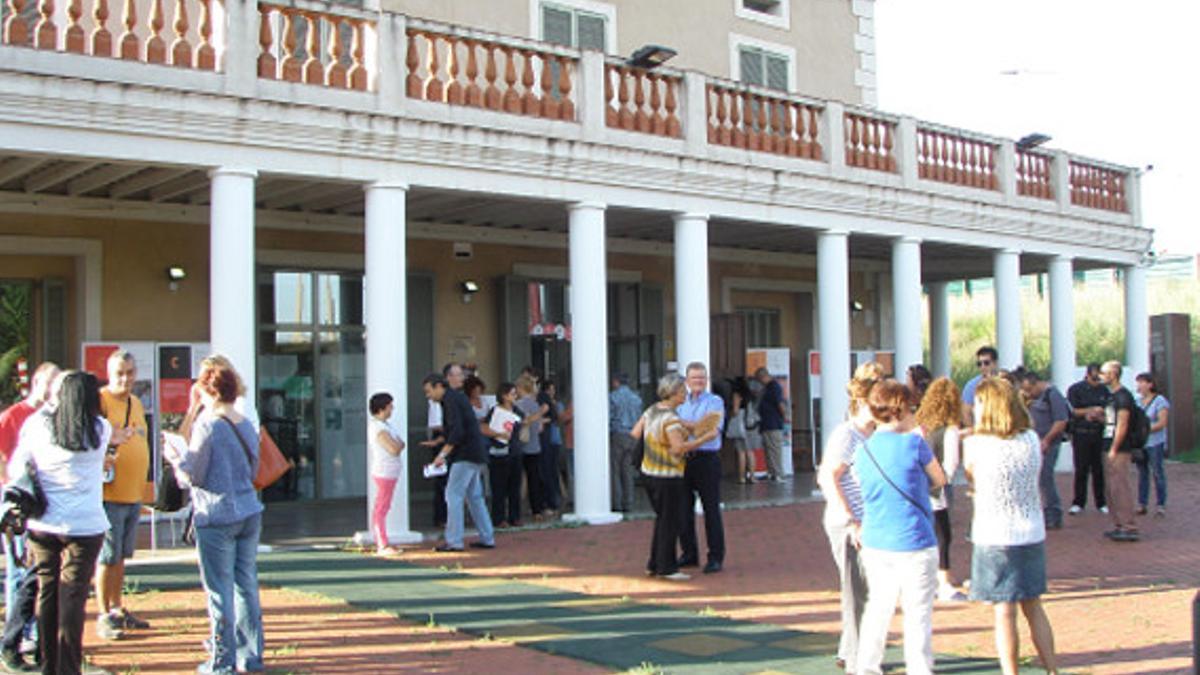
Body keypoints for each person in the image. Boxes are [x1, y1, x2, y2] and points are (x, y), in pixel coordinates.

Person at [164, 360, 265, 674]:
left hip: (217, 513)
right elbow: (252, 468)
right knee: (245, 584)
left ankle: (221, 661)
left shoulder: (208, 425)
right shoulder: (245, 422)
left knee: (218, 590)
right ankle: (251, 656)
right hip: (249, 509)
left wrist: (176, 459)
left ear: (207, 391)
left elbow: (192, 474)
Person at [12, 371, 111, 675]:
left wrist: (49, 399)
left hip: (44, 522)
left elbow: (18, 464)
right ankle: (69, 667)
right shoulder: (100, 430)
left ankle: (47, 664)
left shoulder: (38, 426)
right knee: (74, 597)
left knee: (48, 591)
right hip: (86, 525)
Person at [962, 378, 1058, 675]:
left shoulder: (976, 443)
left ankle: (1010, 672)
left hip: (994, 533)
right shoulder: (1029, 438)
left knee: (1004, 611)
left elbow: (972, 478)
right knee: (1033, 604)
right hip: (1030, 530)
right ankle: (1052, 669)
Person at [855, 379, 945, 675]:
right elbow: (940, 478)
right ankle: (919, 668)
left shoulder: (862, 450)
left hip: (875, 538)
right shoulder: (914, 443)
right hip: (914, 538)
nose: (914, 412)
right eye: (912, 407)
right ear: (899, 409)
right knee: (917, 612)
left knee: (877, 607)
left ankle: (866, 665)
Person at [816, 365, 879, 675]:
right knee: (857, 592)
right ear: (862, 401)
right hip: (848, 523)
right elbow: (829, 477)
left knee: (869, 590)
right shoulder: (846, 434)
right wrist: (851, 518)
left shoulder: (880, 433)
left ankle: (849, 649)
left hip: (873, 521)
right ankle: (859, 661)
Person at [0, 362, 59, 672]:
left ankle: (32, 634)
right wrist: (10, 496)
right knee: (20, 573)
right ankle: (15, 638)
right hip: (19, 500)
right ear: (38, 382)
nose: (53, 390)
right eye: (49, 383)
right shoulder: (16, 417)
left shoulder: (52, 418)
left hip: (43, 504)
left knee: (34, 576)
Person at [630, 373, 717, 581]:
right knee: (670, 522)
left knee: (662, 520)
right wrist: (705, 438)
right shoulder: (670, 419)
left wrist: (692, 427)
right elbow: (678, 448)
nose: (685, 394)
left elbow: (635, 432)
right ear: (675, 392)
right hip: (668, 474)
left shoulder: (652, 411)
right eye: (682, 391)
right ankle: (667, 567)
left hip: (649, 472)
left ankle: (655, 563)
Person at [94, 350, 151, 641]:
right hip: (108, 494)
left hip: (132, 494)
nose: (125, 378)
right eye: (119, 373)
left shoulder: (136, 402)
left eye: (129, 372)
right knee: (107, 556)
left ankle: (117, 607)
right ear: (109, 373)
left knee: (121, 557)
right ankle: (104, 613)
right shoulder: (100, 401)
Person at [424, 374, 495, 552]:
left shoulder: (450, 400)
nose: (428, 395)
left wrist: (442, 454)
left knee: (453, 494)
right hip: (474, 452)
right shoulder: (456, 399)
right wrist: (442, 442)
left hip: (465, 454)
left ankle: (454, 540)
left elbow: (456, 431)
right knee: (474, 496)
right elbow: (457, 428)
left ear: (439, 386)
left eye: (429, 390)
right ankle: (487, 537)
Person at [914, 377, 966, 601]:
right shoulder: (949, 430)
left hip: (916, 488)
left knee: (921, 536)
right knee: (943, 535)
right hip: (937, 490)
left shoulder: (920, 427)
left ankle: (924, 581)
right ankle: (944, 581)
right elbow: (951, 464)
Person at [675, 362, 726, 574]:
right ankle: (689, 553)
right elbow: (675, 429)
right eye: (695, 378)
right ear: (686, 381)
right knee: (683, 509)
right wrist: (696, 429)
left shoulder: (715, 401)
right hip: (684, 460)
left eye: (702, 378)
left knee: (711, 509)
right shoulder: (679, 404)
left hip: (707, 459)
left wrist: (690, 429)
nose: (699, 382)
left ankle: (715, 556)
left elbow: (712, 430)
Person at [1018, 370, 1070, 530]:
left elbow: (1061, 421)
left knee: (1046, 478)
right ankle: (1043, 512)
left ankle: (1053, 513)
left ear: (1037, 384)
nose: (1029, 394)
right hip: (1035, 442)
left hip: (1049, 443)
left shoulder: (1053, 395)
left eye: (1030, 389)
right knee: (1038, 478)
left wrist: (1047, 440)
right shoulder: (1033, 398)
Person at [1099, 361, 1138, 542]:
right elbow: (1111, 421)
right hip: (1107, 444)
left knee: (1120, 485)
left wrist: (1115, 448)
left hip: (1119, 448)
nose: (1100, 376)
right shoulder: (1110, 396)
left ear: (1113, 374)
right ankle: (1119, 524)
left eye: (1103, 373)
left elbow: (1123, 423)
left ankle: (1128, 526)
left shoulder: (1123, 396)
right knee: (1111, 487)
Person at [1066, 363, 1109, 515]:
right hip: (1081, 433)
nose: (1098, 379)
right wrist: (1089, 411)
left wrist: (1100, 414)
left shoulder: (1105, 390)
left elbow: (1109, 410)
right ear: (1088, 374)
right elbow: (1071, 410)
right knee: (1081, 468)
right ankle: (1078, 502)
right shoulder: (1075, 389)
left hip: (1098, 433)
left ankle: (1101, 502)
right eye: (1095, 375)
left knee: (1099, 469)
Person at [368, 392, 406, 556]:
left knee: (383, 506)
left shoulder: (386, 425)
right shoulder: (378, 427)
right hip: (384, 471)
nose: (392, 409)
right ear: (382, 408)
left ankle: (382, 541)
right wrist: (397, 445)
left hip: (390, 471)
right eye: (390, 406)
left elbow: (401, 443)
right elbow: (394, 448)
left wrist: (397, 445)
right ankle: (381, 544)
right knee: (381, 507)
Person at [482, 382, 523, 528]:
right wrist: (498, 434)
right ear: (504, 395)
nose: (515, 396)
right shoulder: (495, 411)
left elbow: (523, 423)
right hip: (498, 451)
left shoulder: (517, 410)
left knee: (514, 486)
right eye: (512, 393)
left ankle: (515, 516)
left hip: (514, 451)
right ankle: (499, 518)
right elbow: (484, 428)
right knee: (499, 486)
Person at [1134, 373, 1170, 517]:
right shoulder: (1138, 402)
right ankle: (1142, 503)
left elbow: (1162, 423)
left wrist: (1145, 430)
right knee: (1142, 473)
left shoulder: (1160, 401)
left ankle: (1161, 504)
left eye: (1142, 382)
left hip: (1155, 442)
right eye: (1138, 383)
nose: (1139, 386)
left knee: (1157, 472)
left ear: (1150, 384)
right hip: (1141, 443)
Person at [513, 375, 548, 520]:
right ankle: (536, 509)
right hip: (535, 445)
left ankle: (516, 510)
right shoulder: (535, 404)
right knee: (534, 478)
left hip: (521, 446)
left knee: (516, 480)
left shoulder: (518, 405)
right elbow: (540, 428)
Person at [608, 373, 642, 512]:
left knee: (615, 469)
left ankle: (617, 503)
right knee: (627, 469)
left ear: (616, 382)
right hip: (633, 435)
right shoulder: (636, 398)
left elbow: (609, 417)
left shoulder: (613, 397)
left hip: (619, 433)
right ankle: (628, 502)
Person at [754, 367, 788, 482]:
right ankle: (771, 472)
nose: (759, 382)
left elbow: (780, 403)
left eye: (759, 379)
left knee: (775, 449)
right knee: (768, 449)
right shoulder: (767, 388)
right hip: (766, 423)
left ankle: (778, 473)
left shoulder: (774, 386)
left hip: (774, 422)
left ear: (764, 376)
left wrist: (785, 417)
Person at [538, 380, 562, 517]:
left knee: (548, 471)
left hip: (549, 440)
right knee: (548, 471)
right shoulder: (548, 402)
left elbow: (556, 417)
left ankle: (550, 502)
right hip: (549, 440)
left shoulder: (547, 401)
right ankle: (551, 502)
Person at [961, 346, 998, 427]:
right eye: (979, 364)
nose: (983, 366)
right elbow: (966, 413)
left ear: (995, 363)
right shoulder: (971, 386)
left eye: (986, 363)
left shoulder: (1004, 383)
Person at [726, 377, 753, 484]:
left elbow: (736, 411)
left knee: (741, 452)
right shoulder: (749, 395)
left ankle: (742, 477)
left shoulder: (737, 394)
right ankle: (752, 476)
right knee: (750, 452)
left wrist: (730, 415)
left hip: (739, 424)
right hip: (748, 424)